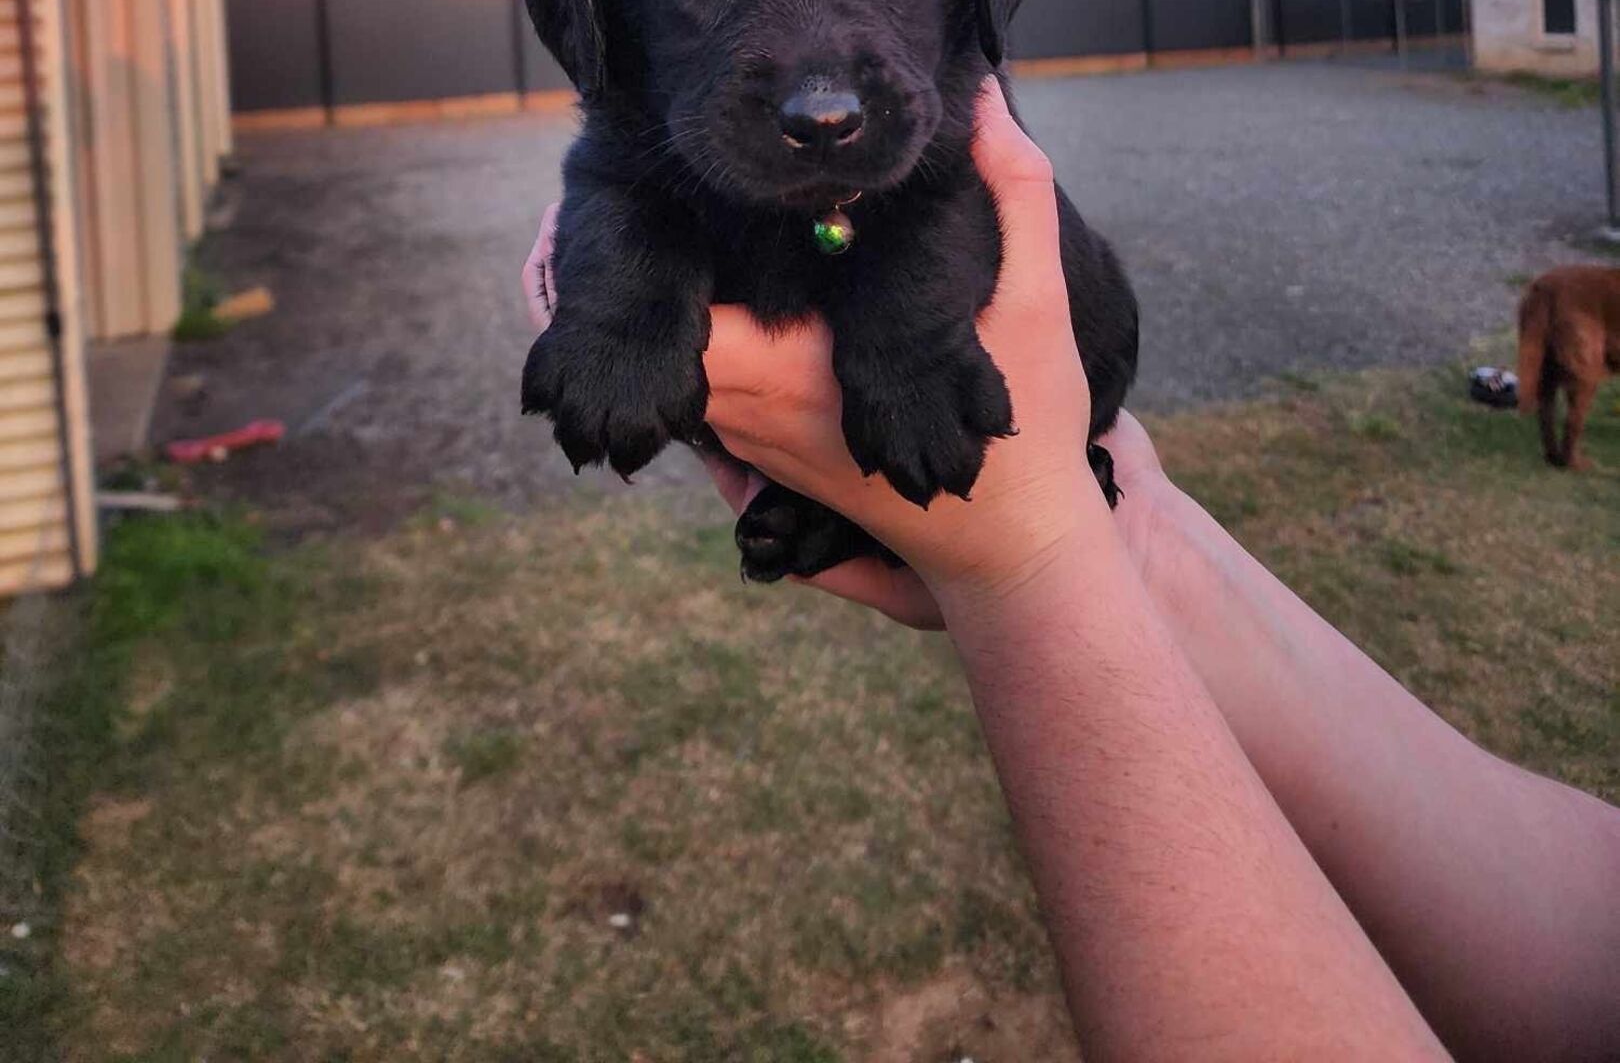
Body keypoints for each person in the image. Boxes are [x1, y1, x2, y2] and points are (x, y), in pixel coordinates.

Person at [523, 83, 1620, 1063]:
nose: (818, 78)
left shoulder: (927, 125)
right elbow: (1584, 955)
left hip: (1070, 390)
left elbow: (938, 213)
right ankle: (858, 511)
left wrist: (1031, 548)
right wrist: (622, 290)